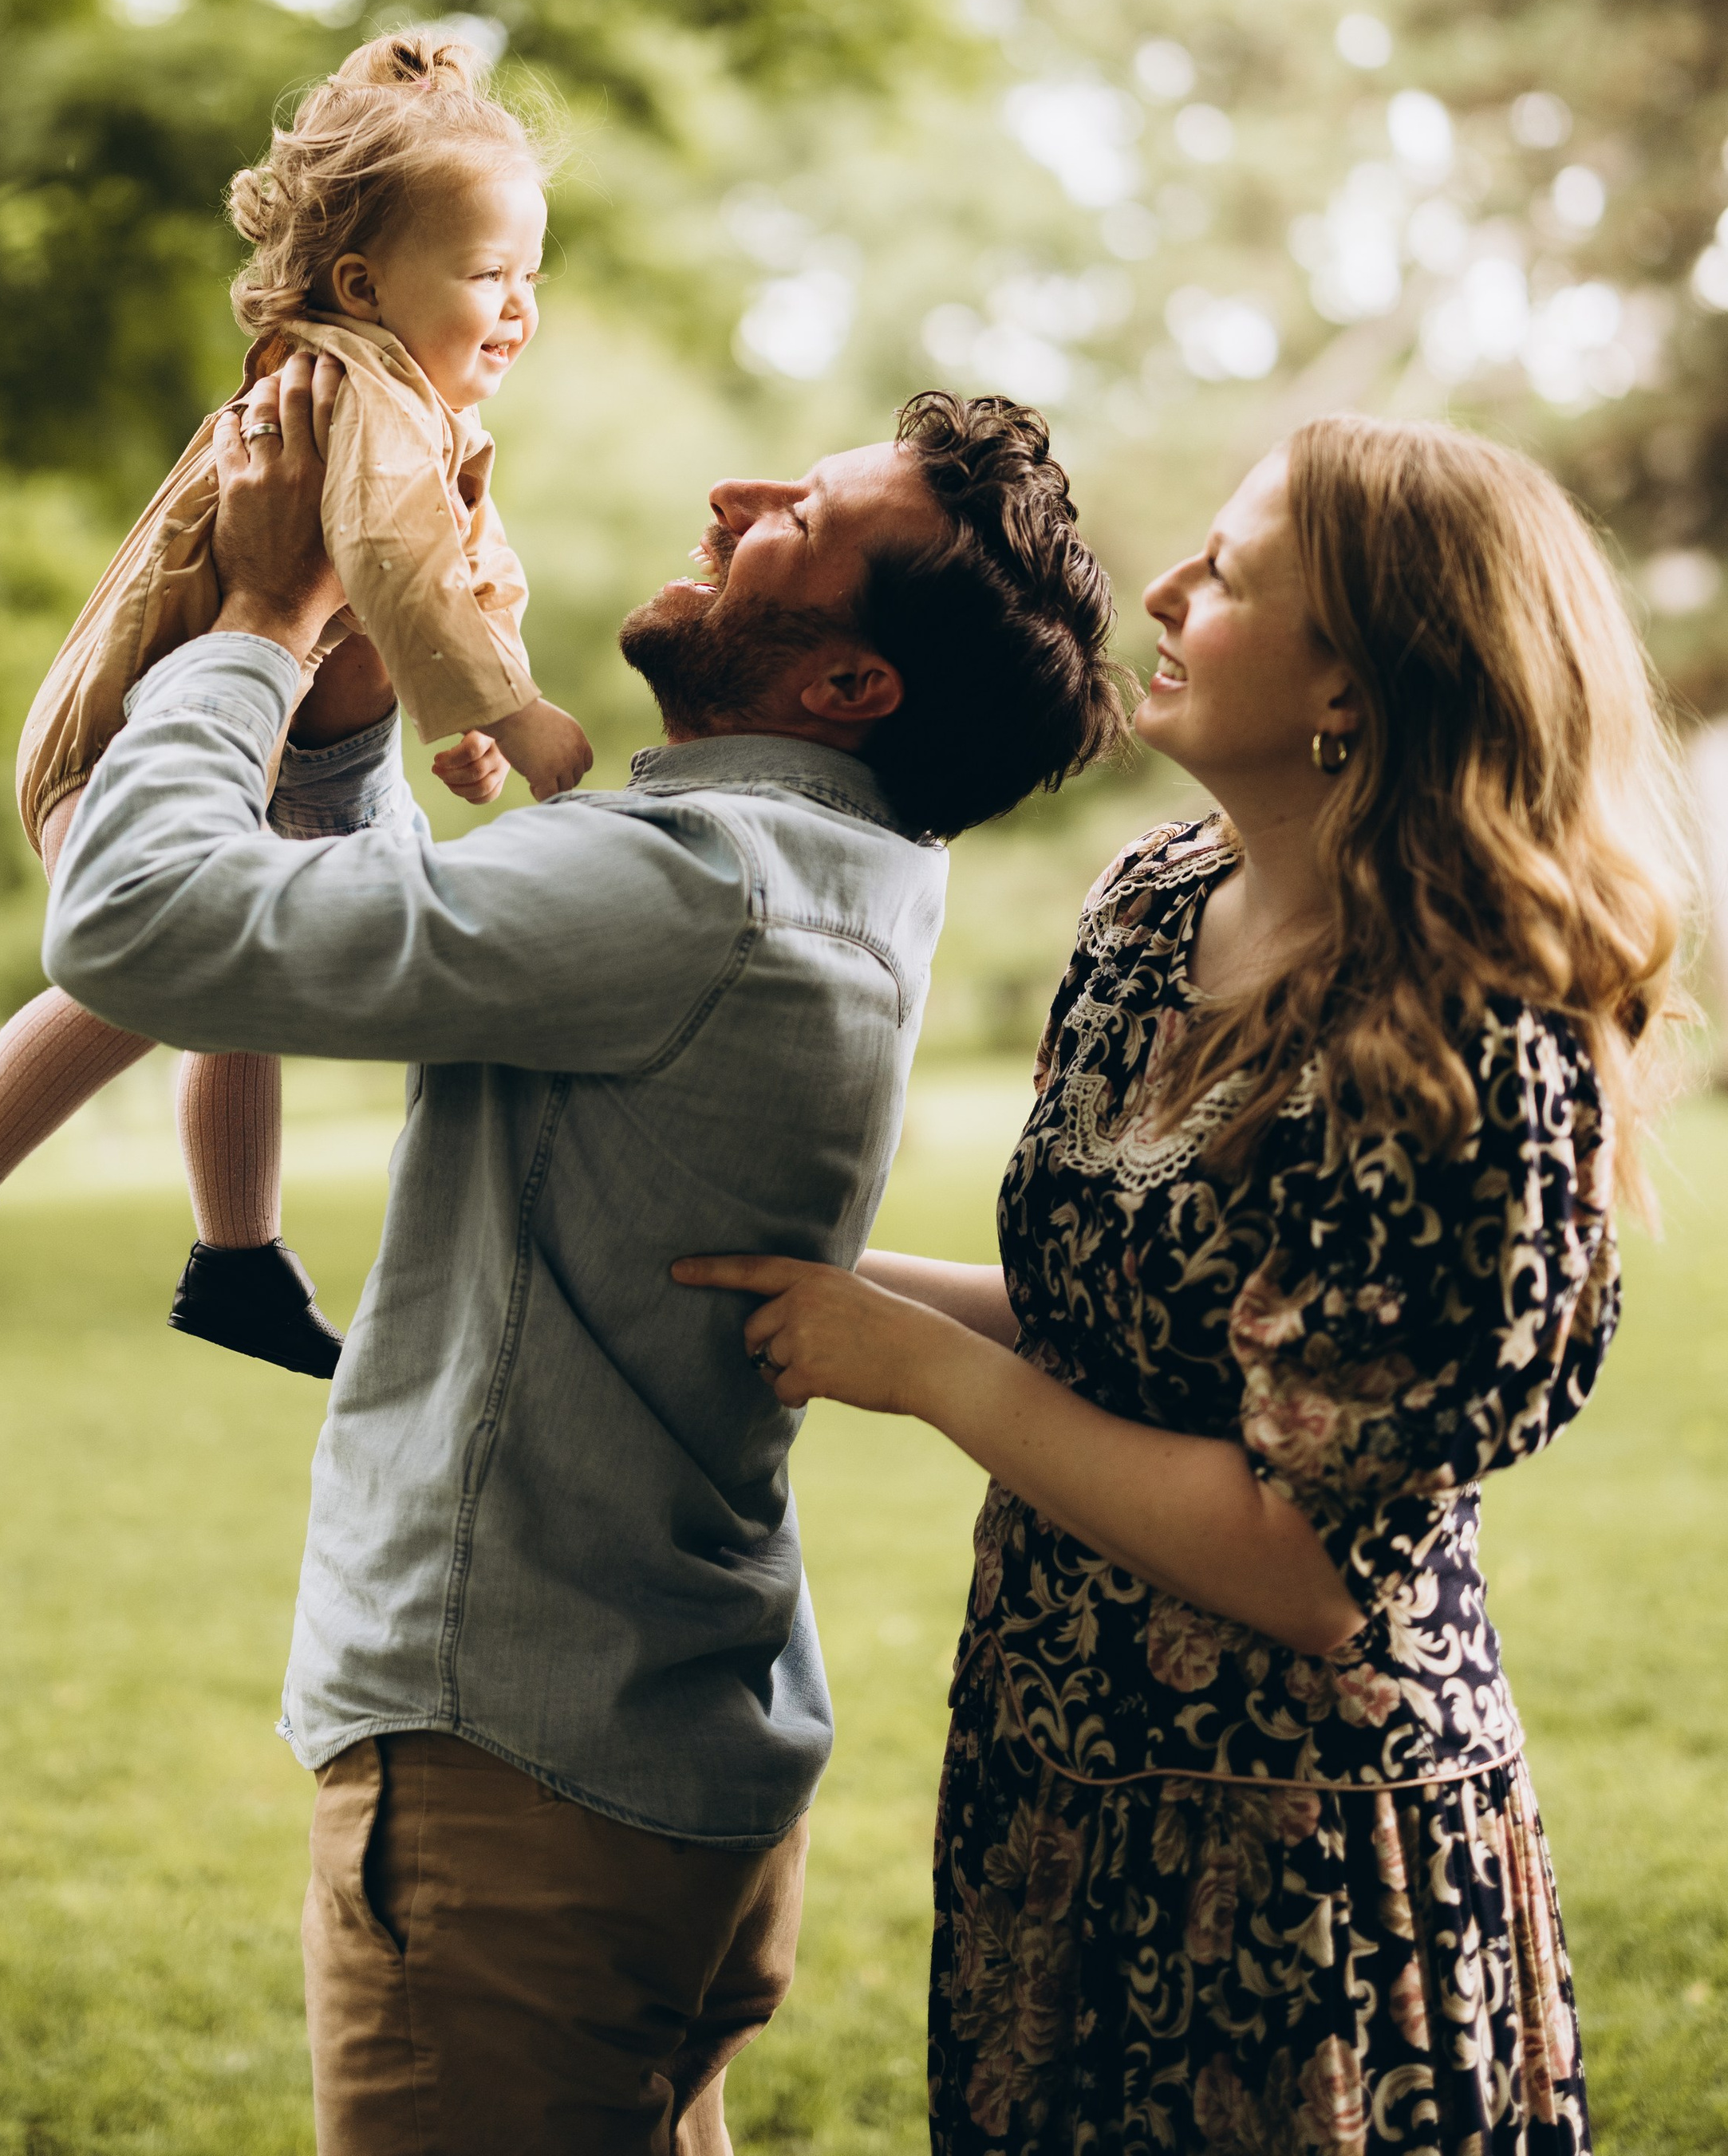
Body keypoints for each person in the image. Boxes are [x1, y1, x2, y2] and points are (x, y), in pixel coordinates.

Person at [38, 361, 1124, 2154]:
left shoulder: (699, 883)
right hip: (668, 1765)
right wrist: (345, 726)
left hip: (513, 1799)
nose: (730, 494)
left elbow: (140, 923)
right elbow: (431, 944)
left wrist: (255, 615)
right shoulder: (827, 869)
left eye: (800, 519)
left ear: (850, 684)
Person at [677, 414, 1691, 2156]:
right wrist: (817, 1287)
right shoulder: (1155, 906)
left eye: (1222, 575)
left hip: (1293, 1864)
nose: (1156, 586)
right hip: (1053, 1784)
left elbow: (1302, 1564)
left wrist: (915, 1371)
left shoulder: (1460, 1042)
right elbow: (1107, 1334)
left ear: (1353, 688)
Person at [0, 30, 590, 1379]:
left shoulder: (419, 404)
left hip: (261, 761)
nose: (520, 305)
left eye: (531, 274)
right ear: (364, 284)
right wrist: (514, 711)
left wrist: (467, 708)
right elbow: (392, 558)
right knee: (168, 959)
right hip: (144, 747)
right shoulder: (347, 385)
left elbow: (472, 561)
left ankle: (238, 1261)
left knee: (241, 972)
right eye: (488, 274)